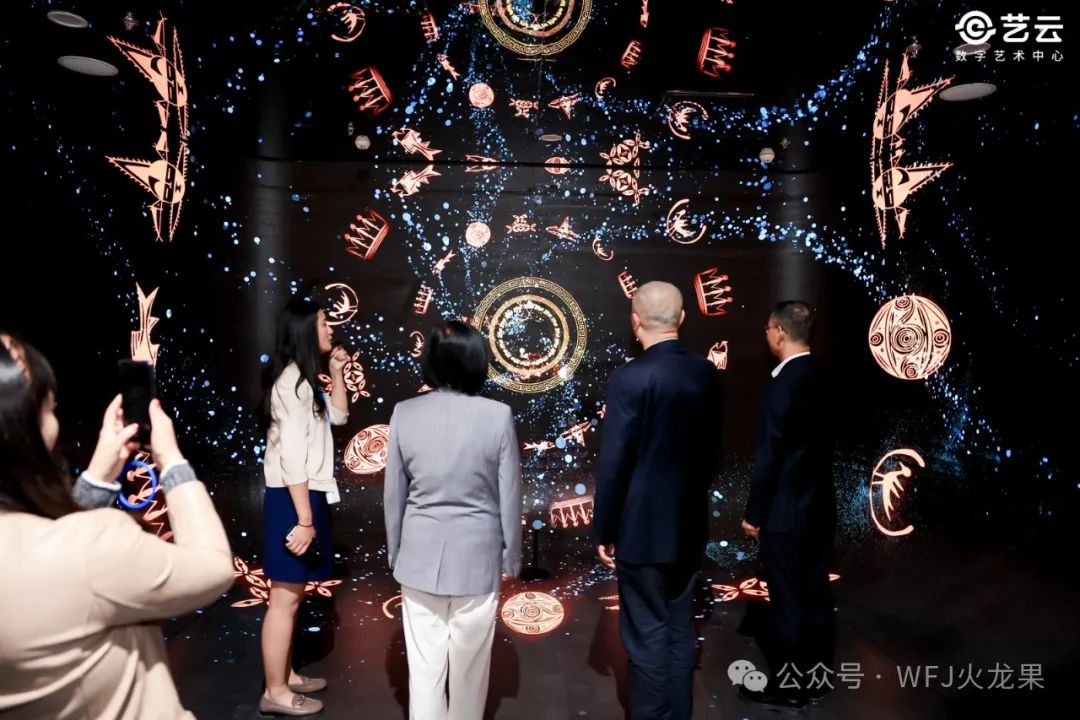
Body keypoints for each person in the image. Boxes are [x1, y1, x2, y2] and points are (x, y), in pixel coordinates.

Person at [0, 333, 235, 719]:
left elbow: (47, 537)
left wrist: (98, 476)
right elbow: (213, 568)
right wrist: (171, 461)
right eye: (49, 407)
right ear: (23, 426)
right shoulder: (93, 545)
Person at [592, 281, 724, 720]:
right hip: (688, 523)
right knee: (680, 628)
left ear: (635, 322)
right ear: (682, 318)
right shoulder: (706, 373)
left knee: (647, 633)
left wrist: (605, 528)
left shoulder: (629, 377)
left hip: (641, 528)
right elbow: (712, 453)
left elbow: (615, 461)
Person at [384, 320, 522, 720]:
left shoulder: (404, 413)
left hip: (419, 557)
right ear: (478, 362)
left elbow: (393, 494)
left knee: (424, 670)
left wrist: (395, 552)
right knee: (470, 671)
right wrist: (512, 556)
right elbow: (510, 493)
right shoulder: (497, 415)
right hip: (478, 559)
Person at [740, 301, 835, 709]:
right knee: (815, 594)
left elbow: (771, 456)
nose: (766, 335)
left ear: (779, 331)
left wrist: (754, 513)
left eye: (767, 328)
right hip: (819, 509)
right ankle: (818, 678)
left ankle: (791, 686)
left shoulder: (781, 384)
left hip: (785, 512)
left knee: (788, 600)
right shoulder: (822, 376)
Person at [260, 297, 350, 716]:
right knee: (284, 598)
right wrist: (305, 519)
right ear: (303, 331)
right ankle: (275, 692)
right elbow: (292, 460)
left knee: (292, 597)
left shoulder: (304, 380)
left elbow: (340, 417)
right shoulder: (291, 384)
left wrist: (336, 374)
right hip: (292, 499)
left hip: (302, 496)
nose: (330, 329)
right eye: (323, 323)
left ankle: (285, 676)